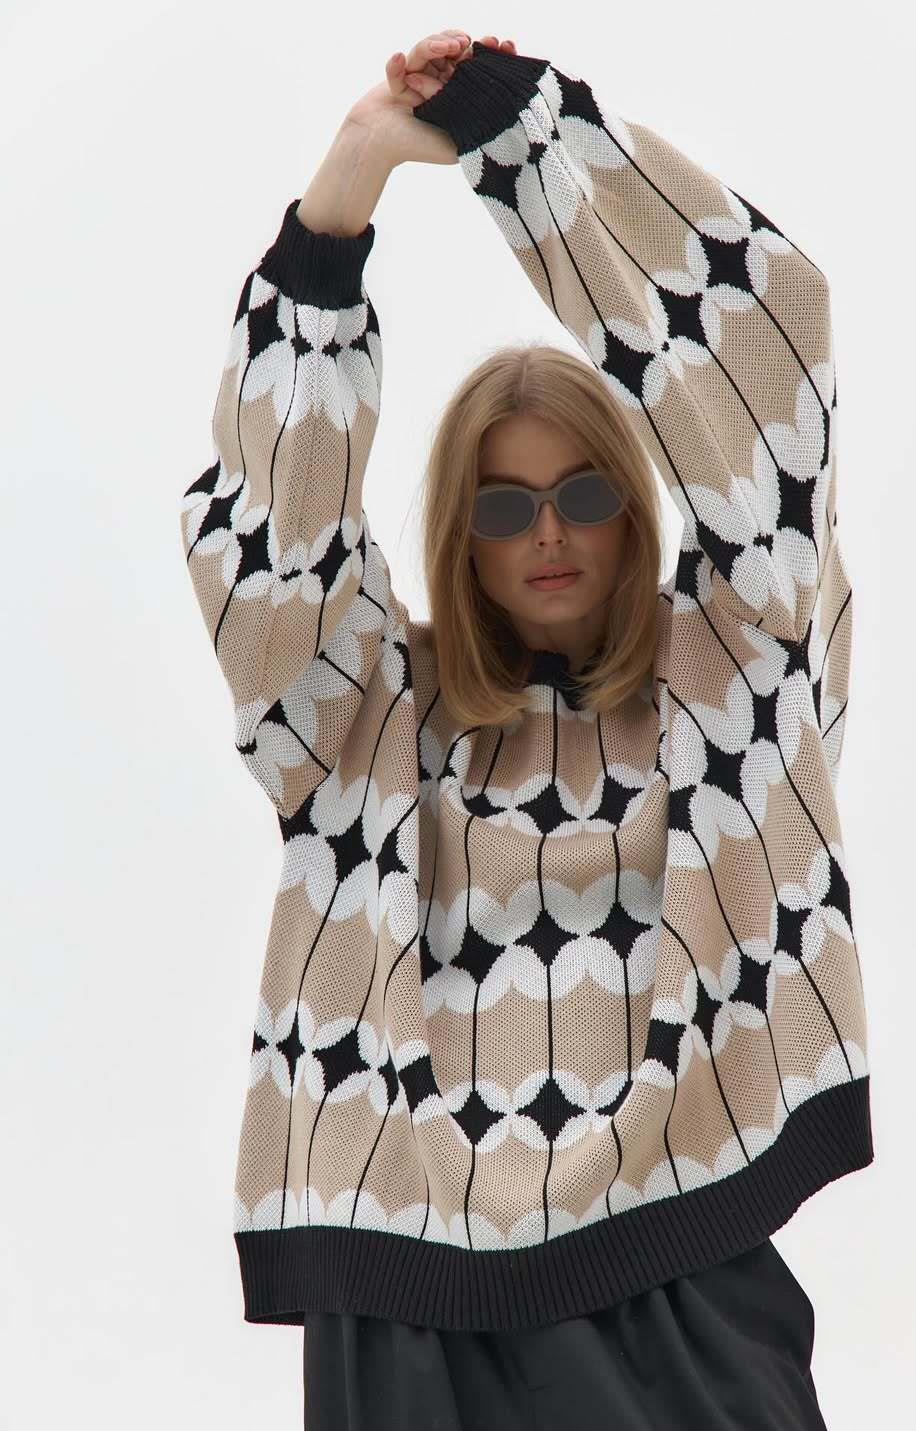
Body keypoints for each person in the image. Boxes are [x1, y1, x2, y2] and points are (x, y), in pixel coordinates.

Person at [180, 27, 869, 1431]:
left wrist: (531, 140)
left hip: (679, 1256)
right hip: (410, 1282)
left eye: (583, 496)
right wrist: (339, 206)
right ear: (463, 535)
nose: (548, 534)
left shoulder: (734, 676)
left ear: (634, 506)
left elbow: (768, 361)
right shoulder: (365, 720)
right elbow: (266, 556)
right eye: (505, 507)